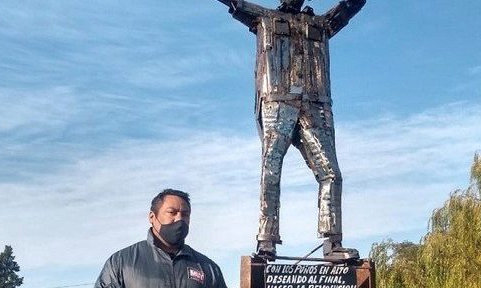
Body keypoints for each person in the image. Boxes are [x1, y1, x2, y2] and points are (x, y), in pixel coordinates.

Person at [214, 0, 365, 260]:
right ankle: (266, 241)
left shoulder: (321, 23)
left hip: (316, 103)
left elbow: (351, 6)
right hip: (277, 100)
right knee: (271, 169)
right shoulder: (264, 18)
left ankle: (333, 242)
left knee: (331, 173)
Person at [95, 189, 227, 288]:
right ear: (152, 217)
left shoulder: (208, 267)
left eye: (185, 214)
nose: (179, 219)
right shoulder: (121, 263)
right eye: (171, 212)